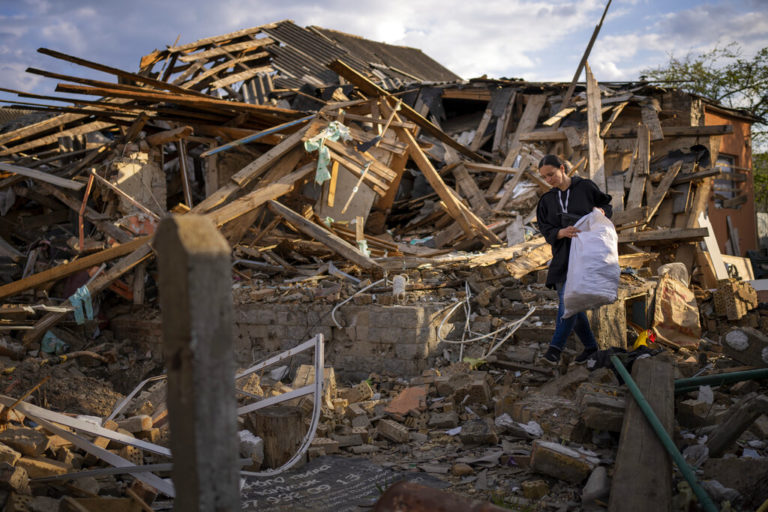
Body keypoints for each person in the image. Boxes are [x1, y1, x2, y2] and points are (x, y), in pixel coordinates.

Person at [535, 154, 613, 366]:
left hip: (587, 255)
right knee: (570, 301)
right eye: (544, 177)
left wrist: (602, 211)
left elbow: (606, 206)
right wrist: (560, 233)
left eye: (551, 174)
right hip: (562, 257)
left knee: (569, 301)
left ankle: (554, 350)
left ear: (562, 168)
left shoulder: (586, 187)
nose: (548, 180)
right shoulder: (547, 201)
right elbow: (545, 228)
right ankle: (590, 348)